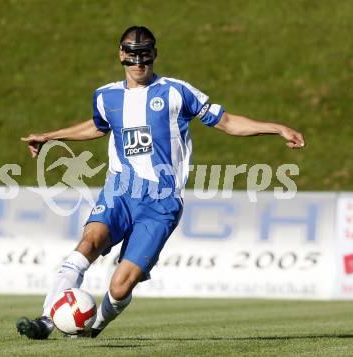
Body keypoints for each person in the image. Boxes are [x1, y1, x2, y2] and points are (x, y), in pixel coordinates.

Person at [17, 25, 305, 339]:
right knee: (88, 244)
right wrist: (50, 136)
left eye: (145, 55)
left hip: (161, 202)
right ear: (121, 55)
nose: (139, 62)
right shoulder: (106, 95)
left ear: (154, 54)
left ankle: (95, 326)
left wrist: (277, 128)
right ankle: (46, 320)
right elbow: (98, 126)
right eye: (132, 54)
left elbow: (228, 122)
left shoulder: (177, 92)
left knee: (119, 286)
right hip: (121, 191)